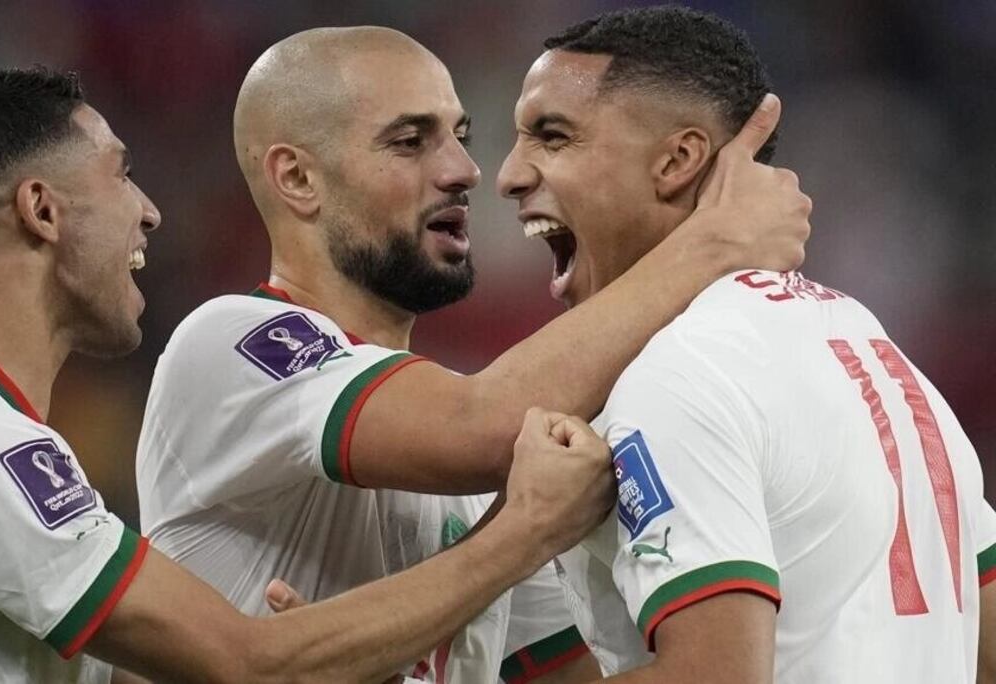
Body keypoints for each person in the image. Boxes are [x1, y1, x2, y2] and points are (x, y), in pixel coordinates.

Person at [0, 66, 619, 684]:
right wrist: (525, 529)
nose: (148, 210)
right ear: (41, 211)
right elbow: (251, 663)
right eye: (121, 174)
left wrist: (337, 650)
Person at [135, 27, 810, 683]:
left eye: (458, 137)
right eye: (408, 142)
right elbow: (476, 426)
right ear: (298, 178)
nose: (465, 172)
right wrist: (715, 242)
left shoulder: (486, 461)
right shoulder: (229, 345)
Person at [493, 6, 996, 683]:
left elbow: (714, 676)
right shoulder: (875, 352)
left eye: (553, 137)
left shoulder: (677, 372)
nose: (509, 175)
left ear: (676, 159)